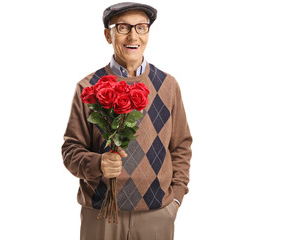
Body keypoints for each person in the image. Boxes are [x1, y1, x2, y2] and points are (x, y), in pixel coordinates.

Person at [61, 2, 192, 240]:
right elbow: (70, 151)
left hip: (157, 215)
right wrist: (98, 163)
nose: (133, 35)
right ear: (107, 35)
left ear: (148, 33)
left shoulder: (168, 86)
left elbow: (181, 145)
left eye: (141, 27)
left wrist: (176, 198)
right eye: (122, 27)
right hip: (101, 214)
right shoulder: (88, 87)